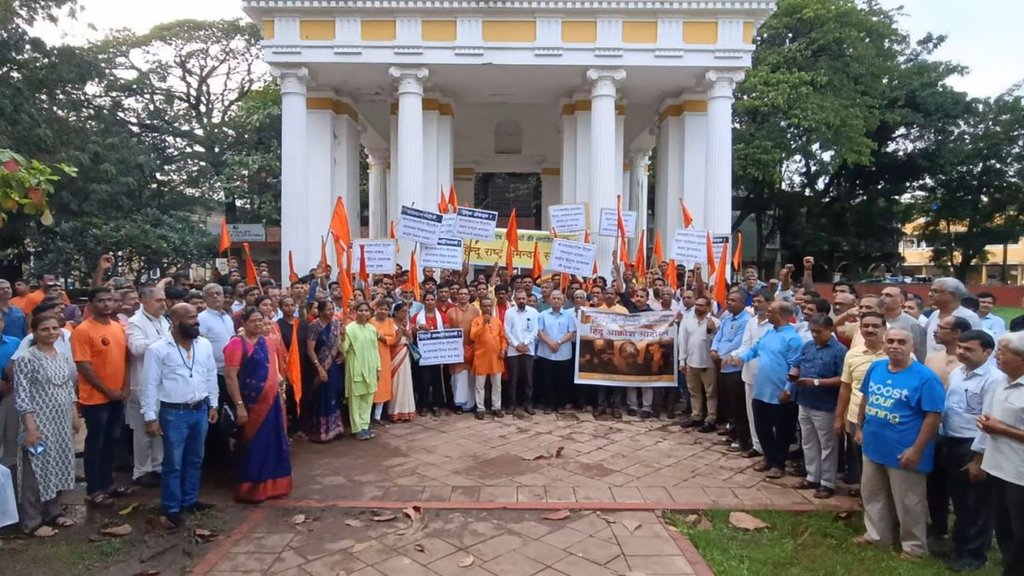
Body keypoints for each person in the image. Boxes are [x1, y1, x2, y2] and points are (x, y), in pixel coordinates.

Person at [855, 328, 945, 558]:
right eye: (891, 341)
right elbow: (866, 398)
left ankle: (914, 548)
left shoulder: (925, 378)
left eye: (901, 342)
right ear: (884, 345)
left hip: (904, 450)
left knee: (909, 502)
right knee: (872, 495)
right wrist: (859, 427)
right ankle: (877, 536)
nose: (895, 346)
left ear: (912, 346)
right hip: (873, 445)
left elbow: (933, 416)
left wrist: (916, 450)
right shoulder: (876, 367)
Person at [141, 304, 220, 526]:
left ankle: (190, 499)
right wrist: (150, 416)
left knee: (195, 458)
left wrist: (213, 403)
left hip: (200, 409)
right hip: (174, 413)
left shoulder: (203, 345)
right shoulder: (158, 349)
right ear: (176, 321)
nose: (197, 321)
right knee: (173, 463)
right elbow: (149, 384)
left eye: (196, 317)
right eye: (191, 318)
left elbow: (210, 374)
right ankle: (172, 507)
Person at [929, 330, 999, 572]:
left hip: (973, 445)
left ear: (987, 352)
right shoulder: (958, 372)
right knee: (958, 499)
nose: (960, 352)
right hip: (950, 439)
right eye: (960, 347)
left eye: (968, 349)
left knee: (975, 503)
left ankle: (974, 554)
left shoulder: (993, 379)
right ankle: (959, 546)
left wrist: (979, 459)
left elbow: (988, 422)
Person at [13, 313, 77, 537]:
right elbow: (22, 397)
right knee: (34, 469)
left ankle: (53, 511)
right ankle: (32, 521)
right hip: (37, 424)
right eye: (45, 329)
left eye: (54, 328)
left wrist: (74, 415)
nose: (51, 333)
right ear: (34, 332)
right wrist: (30, 429)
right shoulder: (26, 358)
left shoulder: (61, 355)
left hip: (60, 423)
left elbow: (69, 388)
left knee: (57, 464)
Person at [726, 301, 803, 479]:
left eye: (771, 312)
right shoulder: (769, 332)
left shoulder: (793, 338)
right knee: (762, 427)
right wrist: (739, 358)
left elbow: (795, 366)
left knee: (783, 430)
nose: (767, 314)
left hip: (781, 393)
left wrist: (788, 388)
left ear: (782, 315)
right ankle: (769, 458)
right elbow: (754, 350)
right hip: (761, 389)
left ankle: (779, 463)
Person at [222, 307, 292, 502]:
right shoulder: (236, 345)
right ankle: (252, 488)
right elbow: (230, 377)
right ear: (242, 323)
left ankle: (275, 485)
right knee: (253, 445)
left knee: (273, 442)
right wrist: (239, 405)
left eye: (260, 320)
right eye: (253, 321)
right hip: (251, 404)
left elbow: (274, 370)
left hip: (272, 402)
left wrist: (280, 390)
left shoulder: (268, 342)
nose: (258, 324)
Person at [971, 332, 1024, 576]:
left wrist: (1000, 428)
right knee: (1003, 528)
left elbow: (1001, 427)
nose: (996, 356)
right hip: (998, 467)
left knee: (1020, 531)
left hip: (1019, 475)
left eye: (1003, 352)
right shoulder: (1002, 380)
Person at [72, 287, 129, 506]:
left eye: (109, 300)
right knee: (95, 442)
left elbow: (124, 358)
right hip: (96, 397)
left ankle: (108, 484)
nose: (106, 304)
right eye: (101, 301)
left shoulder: (117, 327)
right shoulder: (83, 330)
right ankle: (93, 489)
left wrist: (125, 386)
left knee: (112, 440)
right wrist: (107, 390)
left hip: (118, 395)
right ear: (92, 303)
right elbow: (84, 366)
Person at [792, 316, 846, 499]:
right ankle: (812, 476)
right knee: (808, 441)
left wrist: (816, 382)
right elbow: (798, 363)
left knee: (827, 445)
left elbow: (842, 379)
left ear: (830, 330)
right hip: (805, 401)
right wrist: (794, 373)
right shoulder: (808, 346)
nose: (814, 335)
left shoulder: (839, 351)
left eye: (818, 332)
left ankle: (827, 482)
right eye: (812, 331)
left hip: (825, 405)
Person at [834, 311, 888, 494]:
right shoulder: (852, 354)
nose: (870, 329)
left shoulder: (898, 354)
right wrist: (838, 417)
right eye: (865, 326)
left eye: (875, 326)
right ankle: (867, 499)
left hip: (886, 420)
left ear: (885, 328)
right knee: (861, 461)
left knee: (883, 464)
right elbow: (845, 387)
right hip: (856, 418)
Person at [125, 287, 170, 488]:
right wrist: (165, 341)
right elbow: (136, 348)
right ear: (144, 301)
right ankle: (141, 470)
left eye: (164, 300)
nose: (163, 304)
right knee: (144, 430)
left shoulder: (163, 320)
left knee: (159, 428)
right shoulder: (135, 322)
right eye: (158, 300)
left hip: (162, 382)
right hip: (142, 383)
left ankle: (157, 467)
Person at [197, 283, 236, 464]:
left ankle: (225, 451)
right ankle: (213, 457)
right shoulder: (202, 319)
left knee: (229, 414)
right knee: (215, 413)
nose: (216, 297)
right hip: (213, 375)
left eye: (219, 294)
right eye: (211, 294)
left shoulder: (227, 317)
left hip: (229, 371)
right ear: (205, 299)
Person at [732, 289, 772, 457]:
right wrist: (734, 355)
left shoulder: (775, 324)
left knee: (768, 415)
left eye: (759, 301)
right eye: (754, 302)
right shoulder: (751, 322)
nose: (755, 305)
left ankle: (771, 449)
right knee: (751, 412)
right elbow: (745, 345)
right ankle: (757, 446)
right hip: (749, 373)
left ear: (770, 303)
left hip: (769, 377)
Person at [710, 290, 751, 442]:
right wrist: (713, 349)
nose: (729, 303)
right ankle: (731, 429)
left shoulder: (747, 321)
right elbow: (718, 335)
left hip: (735, 367)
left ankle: (740, 436)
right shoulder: (727, 318)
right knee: (728, 402)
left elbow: (738, 343)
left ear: (742, 303)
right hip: (722, 366)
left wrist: (719, 354)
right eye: (728, 300)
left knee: (737, 403)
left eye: (733, 300)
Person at [306, 300, 345, 442]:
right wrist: (319, 367)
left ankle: (336, 428)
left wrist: (342, 355)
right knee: (322, 397)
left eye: (332, 308)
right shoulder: (314, 326)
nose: (331, 312)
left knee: (334, 394)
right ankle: (322, 431)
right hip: (319, 366)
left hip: (333, 365)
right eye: (328, 309)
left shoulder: (335, 324)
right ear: (321, 311)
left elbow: (339, 343)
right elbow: (310, 349)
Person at [341, 302, 380, 440]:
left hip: (371, 367)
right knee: (355, 399)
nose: (364, 313)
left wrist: (378, 367)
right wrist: (342, 337)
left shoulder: (371, 329)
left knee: (368, 398)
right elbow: (343, 349)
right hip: (356, 367)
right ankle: (356, 428)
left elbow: (375, 349)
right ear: (355, 311)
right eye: (361, 310)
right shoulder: (350, 328)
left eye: (366, 310)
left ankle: (365, 425)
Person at [680, 296, 719, 433]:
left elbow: (718, 343)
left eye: (701, 305)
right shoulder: (688, 321)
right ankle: (696, 415)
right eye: (696, 305)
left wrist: (713, 330)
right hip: (691, 362)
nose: (698, 308)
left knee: (710, 393)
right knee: (693, 391)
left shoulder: (715, 322)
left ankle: (711, 419)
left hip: (708, 364)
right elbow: (683, 341)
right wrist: (682, 360)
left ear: (708, 307)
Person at [536, 290, 577, 414]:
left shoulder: (569, 315)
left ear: (563, 300)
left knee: (562, 381)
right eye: (553, 298)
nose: (556, 301)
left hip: (563, 353)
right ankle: (549, 404)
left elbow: (571, 332)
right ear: (549, 300)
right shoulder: (542, 315)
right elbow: (539, 331)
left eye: (559, 298)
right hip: (546, 352)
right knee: (548, 380)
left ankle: (560, 404)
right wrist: (550, 343)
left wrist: (558, 342)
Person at [411, 293, 448, 417]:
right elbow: (410, 331)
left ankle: (436, 405)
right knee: (424, 381)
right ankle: (424, 405)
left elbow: (448, 332)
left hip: (438, 354)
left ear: (435, 301)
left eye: (432, 299)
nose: (430, 302)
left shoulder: (442, 316)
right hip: (423, 355)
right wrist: (418, 327)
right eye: (427, 299)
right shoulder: (417, 317)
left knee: (437, 381)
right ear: (423, 301)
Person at [470, 296, 506, 419]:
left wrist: (503, 349)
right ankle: (480, 408)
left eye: (489, 306)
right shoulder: (476, 321)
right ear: (480, 307)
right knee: (479, 385)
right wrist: (483, 324)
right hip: (481, 357)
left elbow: (502, 338)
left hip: (496, 357)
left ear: (492, 307)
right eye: (484, 306)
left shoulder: (497, 321)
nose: (487, 308)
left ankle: (497, 407)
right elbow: (473, 336)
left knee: (497, 385)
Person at [504, 289, 539, 415]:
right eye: (518, 299)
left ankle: (528, 405)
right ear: (515, 299)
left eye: (523, 298)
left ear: (526, 298)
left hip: (528, 350)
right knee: (513, 380)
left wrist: (524, 343)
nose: (521, 301)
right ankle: (511, 405)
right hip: (513, 351)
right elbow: (507, 331)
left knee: (528, 380)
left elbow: (535, 331)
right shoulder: (509, 313)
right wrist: (516, 345)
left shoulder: (534, 312)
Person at [446, 286, 479, 414]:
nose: (463, 296)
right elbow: (448, 330)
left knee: (471, 377)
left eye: (466, 293)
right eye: (461, 293)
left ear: (469, 296)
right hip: (456, 349)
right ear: (457, 296)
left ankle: (471, 404)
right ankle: (458, 404)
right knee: (458, 377)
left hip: (471, 348)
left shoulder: (475, 311)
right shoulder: (451, 311)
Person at [925, 278, 982, 354]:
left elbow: (975, 345)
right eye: (930, 291)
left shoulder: (969, 317)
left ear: (952, 295)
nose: (930, 294)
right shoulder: (934, 314)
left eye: (935, 291)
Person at [879, 286, 927, 362]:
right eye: (881, 295)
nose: (882, 298)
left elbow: (920, 356)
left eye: (888, 295)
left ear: (901, 302)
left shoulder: (913, 325)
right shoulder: (875, 321)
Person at [368, 301, 397, 425]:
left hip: (384, 356)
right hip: (370, 355)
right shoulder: (370, 321)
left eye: (385, 309)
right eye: (381, 308)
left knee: (383, 386)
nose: (383, 311)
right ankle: (366, 416)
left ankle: (377, 416)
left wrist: (383, 338)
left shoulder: (390, 322)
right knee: (370, 385)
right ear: (376, 309)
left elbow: (394, 338)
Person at [387, 303, 417, 422]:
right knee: (395, 383)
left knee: (405, 382)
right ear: (395, 312)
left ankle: (406, 411)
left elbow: (411, 340)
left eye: (407, 312)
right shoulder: (389, 323)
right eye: (403, 311)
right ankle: (394, 412)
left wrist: (407, 333)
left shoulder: (407, 323)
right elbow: (391, 341)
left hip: (405, 354)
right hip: (393, 355)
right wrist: (400, 334)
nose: (405, 314)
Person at [926, 316, 970, 387]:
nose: (935, 331)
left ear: (956, 333)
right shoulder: (931, 359)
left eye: (941, 328)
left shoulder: (969, 364)